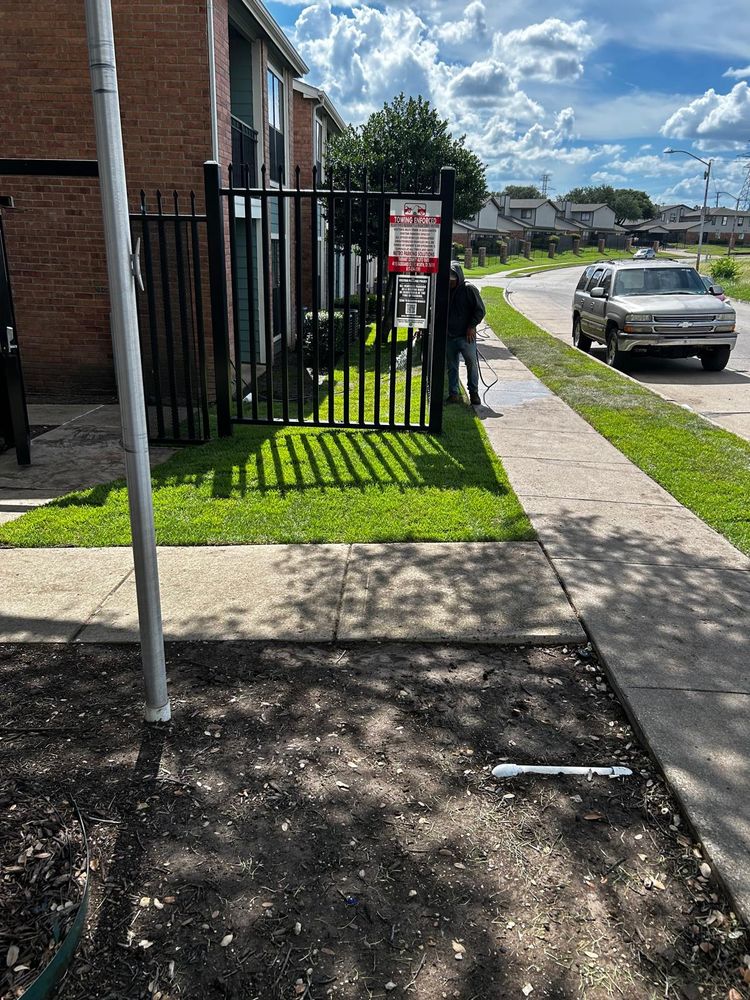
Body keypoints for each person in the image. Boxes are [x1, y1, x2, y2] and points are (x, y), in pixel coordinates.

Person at [446, 262, 486, 406]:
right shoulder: (445, 290)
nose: (450, 282)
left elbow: (480, 310)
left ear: (459, 277)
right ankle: (453, 394)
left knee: (471, 364)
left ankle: (474, 393)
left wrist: (471, 326)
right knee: (452, 366)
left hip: (466, 336)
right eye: (448, 279)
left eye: (453, 279)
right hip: (449, 336)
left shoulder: (469, 289)